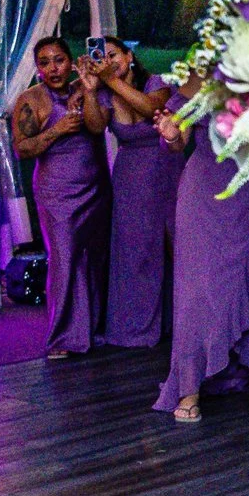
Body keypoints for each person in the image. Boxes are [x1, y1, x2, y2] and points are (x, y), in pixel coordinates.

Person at [152, 90, 249, 421]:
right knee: (200, 290)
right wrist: (171, 137)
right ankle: (189, 388)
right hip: (208, 191)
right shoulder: (198, 74)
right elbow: (179, 139)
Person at [7, 36, 110, 359]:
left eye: (59, 60)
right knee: (64, 261)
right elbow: (22, 149)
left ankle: (95, 330)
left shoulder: (86, 87)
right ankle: (63, 337)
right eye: (45, 62)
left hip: (95, 187)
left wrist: (92, 91)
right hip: (57, 193)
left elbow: (96, 127)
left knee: (94, 259)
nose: (53, 68)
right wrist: (56, 130)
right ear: (37, 68)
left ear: (71, 61)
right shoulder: (30, 99)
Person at [94, 38, 184, 349]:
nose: (109, 61)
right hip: (130, 174)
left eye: (114, 55)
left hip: (165, 167)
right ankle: (137, 324)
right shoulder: (106, 91)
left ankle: (178, 322)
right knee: (134, 249)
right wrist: (92, 89)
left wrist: (109, 80)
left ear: (129, 56)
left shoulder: (155, 82)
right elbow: (94, 126)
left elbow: (151, 108)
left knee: (174, 243)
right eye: (102, 57)